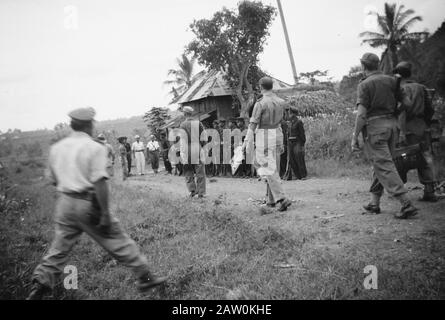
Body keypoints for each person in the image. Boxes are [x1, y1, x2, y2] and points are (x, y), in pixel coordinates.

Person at [27, 108, 166, 300]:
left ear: (72, 125)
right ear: (89, 125)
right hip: (87, 202)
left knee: (58, 249)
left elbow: (53, 180)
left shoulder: (57, 148)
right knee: (118, 240)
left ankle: (39, 286)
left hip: (65, 203)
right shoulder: (95, 148)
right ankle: (146, 277)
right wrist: (105, 213)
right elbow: (99, 182)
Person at [352, 53, 418, 219]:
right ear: (378, 64)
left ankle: (406, 203)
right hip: (392, 127)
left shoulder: (365, 84)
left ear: (363, 66)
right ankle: (374, 203)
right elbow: (408, 103)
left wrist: (354, 137)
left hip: (375, 129)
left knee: (384, 165)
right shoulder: (392, 80)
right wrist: (395, 113)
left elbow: (361, 115)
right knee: (381, 163)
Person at [243, 77, 293, 212]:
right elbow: (283, 122)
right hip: (277, 133)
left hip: (264, 134)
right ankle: (271, 201)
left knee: (266, 167)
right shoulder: (281, 101)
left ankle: (281, 198)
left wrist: (247, 140)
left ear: (260, 86)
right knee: (272, 167)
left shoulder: (260, 103)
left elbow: (253, 123)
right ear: (272, 86)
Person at [395, 61, 439, 202]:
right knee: (425, 157)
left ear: (398, 74)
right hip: (422, 127)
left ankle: (400, 193)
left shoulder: (400, 89)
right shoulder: (421, 88)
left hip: (407, 128)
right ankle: (429, 191)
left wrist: (401, 132)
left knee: (401, 159)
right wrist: (425, 122)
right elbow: (430, 109)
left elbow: (401, 113)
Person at [180, 106, 207, 198]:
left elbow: (182, 139)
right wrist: (201, 146)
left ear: (184, 113)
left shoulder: (182, 125)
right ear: (192, 113)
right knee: (200, 171)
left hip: (187, 147)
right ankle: (201, 192)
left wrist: (182, 152)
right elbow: (204, 137)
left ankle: (192, 190)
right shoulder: (198, 123)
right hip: (197, 147)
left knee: (188, 170)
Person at [288, 110, 308, 180]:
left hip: (298, 142)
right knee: (292, 159)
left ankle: (303, 175)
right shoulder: (290, 123)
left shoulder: (299, 122)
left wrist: (302, 143)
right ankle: (297, 175)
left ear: (294, 114)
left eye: (290, 113)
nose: (289, 115)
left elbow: (302, 134)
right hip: (291, 143)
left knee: (299, 158)